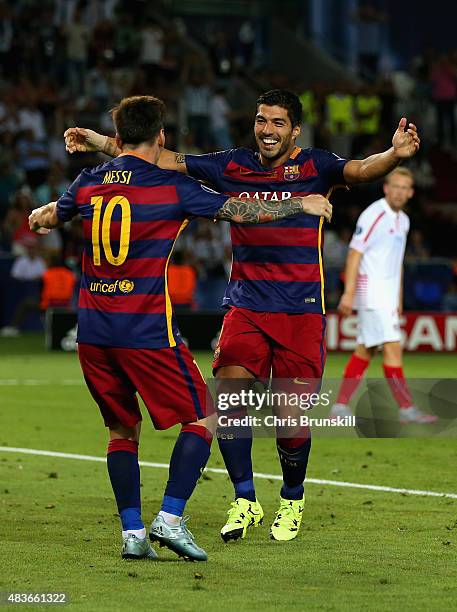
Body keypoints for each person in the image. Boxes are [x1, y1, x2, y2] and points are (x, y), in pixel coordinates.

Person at [64, 88, 420, 544]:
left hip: (301, 311)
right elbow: (158, 159)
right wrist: (101, 141)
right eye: (260, 120)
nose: (266, 130)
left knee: (291, 421)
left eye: (276, 123)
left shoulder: (316, 166)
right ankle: (245, 497)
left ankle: (292, 498)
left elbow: (361, 169)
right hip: (246, 305)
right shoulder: (232, 164)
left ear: (295, 129)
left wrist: (394, 153)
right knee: (230, 405)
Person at [31, 95, 331, 562]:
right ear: (161, 137)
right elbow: (241, 210)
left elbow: (53, 214)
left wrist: (42, 214)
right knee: (210, 413)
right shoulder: (171, 187)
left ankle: (132, 533)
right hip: (145, 332)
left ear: (119, 136)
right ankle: (170, 518)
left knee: (121, 430)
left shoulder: (87, 182)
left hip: (91, 334)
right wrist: (301, 203)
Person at [330, 168, 437, 424]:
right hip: (371, 292)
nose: (399, 192)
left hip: (386, 296)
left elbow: (397, 262)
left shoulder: (404, 221)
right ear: (386, 188)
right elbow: (355, 253)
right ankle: (407, 408)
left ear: (410, 193)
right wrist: (348, 293)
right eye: (395, 186)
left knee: (367, 349)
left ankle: (340, 406)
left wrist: (397, 298)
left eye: (405, 188)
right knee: (392, 347)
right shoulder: (374, 214)